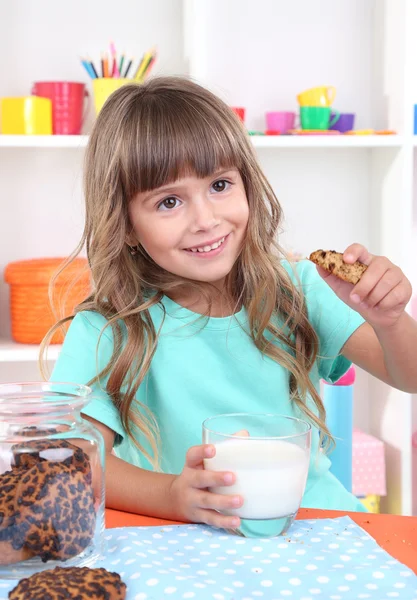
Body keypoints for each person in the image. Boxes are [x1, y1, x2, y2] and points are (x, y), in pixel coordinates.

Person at [46, 76, 416, 532]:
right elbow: (72, 456)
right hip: (192, 541)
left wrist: (390, 320)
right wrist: (172, 496)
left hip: (318, 526)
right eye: (169, 202)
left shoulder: (298, 288)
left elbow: (410, 376)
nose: (206, 220)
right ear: (123, 223)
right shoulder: (108, 328)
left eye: (220, 185)